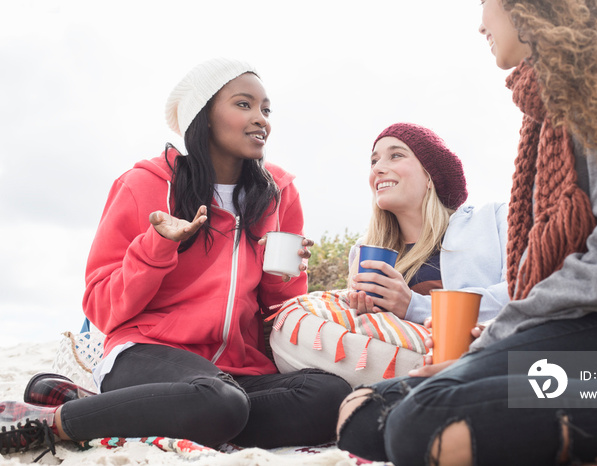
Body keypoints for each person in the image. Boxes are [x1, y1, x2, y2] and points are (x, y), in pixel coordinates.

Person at [336, 1, 597, 465]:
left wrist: (489, 345)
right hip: (576, 330)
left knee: (424, 424)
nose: (480, 21)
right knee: (366, 412)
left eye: (486, 4)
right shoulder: (547, 115)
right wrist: (489, 351)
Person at [0, 58, 351, 457]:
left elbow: (275, 312)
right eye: (243, 105)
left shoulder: (279, 194)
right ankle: (52, 421)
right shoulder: (144, 185)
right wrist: (157, 247)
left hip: (237, 370)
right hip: (145, 352)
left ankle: (121, 409)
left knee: (329, 394)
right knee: (219, 401)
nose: (261, 119)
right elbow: (101, 307)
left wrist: (286, 274)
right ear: (203, 116)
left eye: (265, 109)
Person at [348, 122, 508, 325]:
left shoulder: (492, 220)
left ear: (430, 176)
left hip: (481, 353)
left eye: (396, 155)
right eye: (374, 161)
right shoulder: (361, 251)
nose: (378, 168)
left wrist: (413, 306)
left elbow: (519, 294)